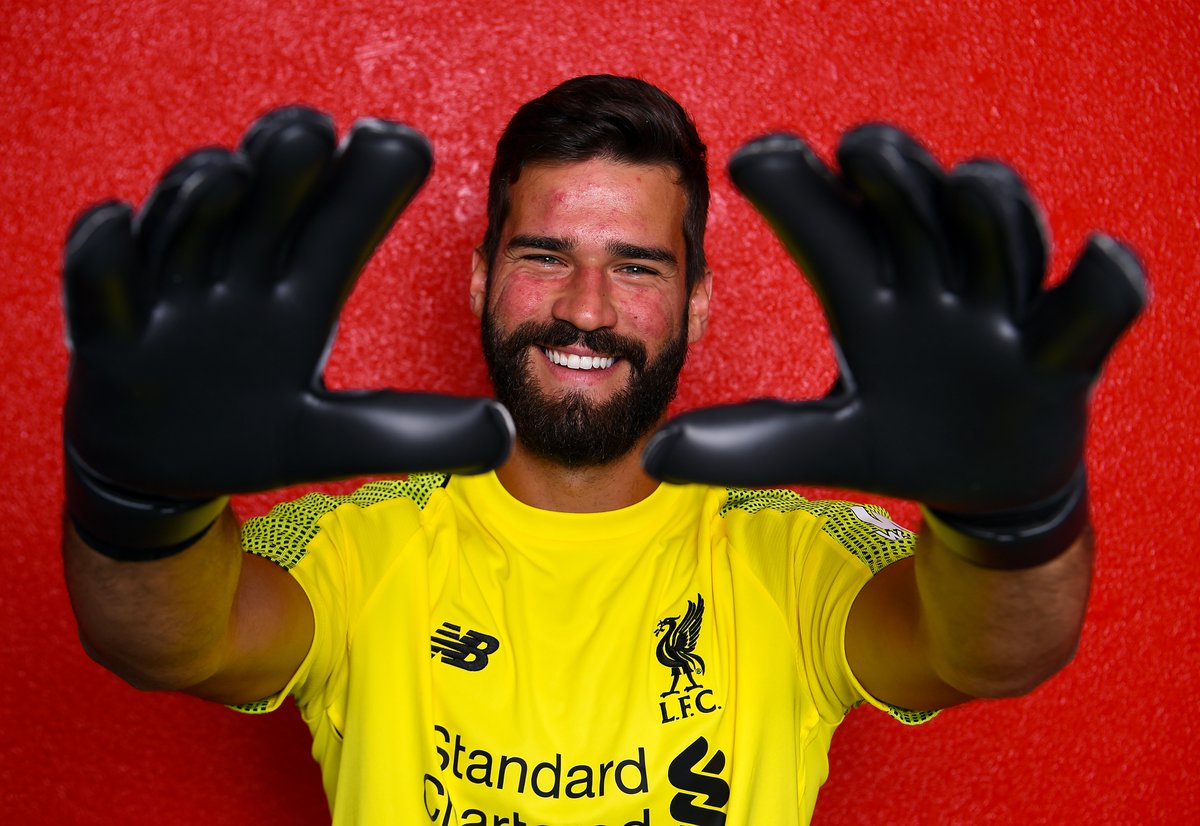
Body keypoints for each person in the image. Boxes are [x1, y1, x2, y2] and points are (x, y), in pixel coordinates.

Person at [61, 75, 1145, 824]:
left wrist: (1011, 512)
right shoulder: (360, 544)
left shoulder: (788, 553)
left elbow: (993, 653)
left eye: (636, 266)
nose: (585, 309)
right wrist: (139, 500)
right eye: (544, 255)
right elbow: (166, 643)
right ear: (481, 278)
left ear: (698, 300)